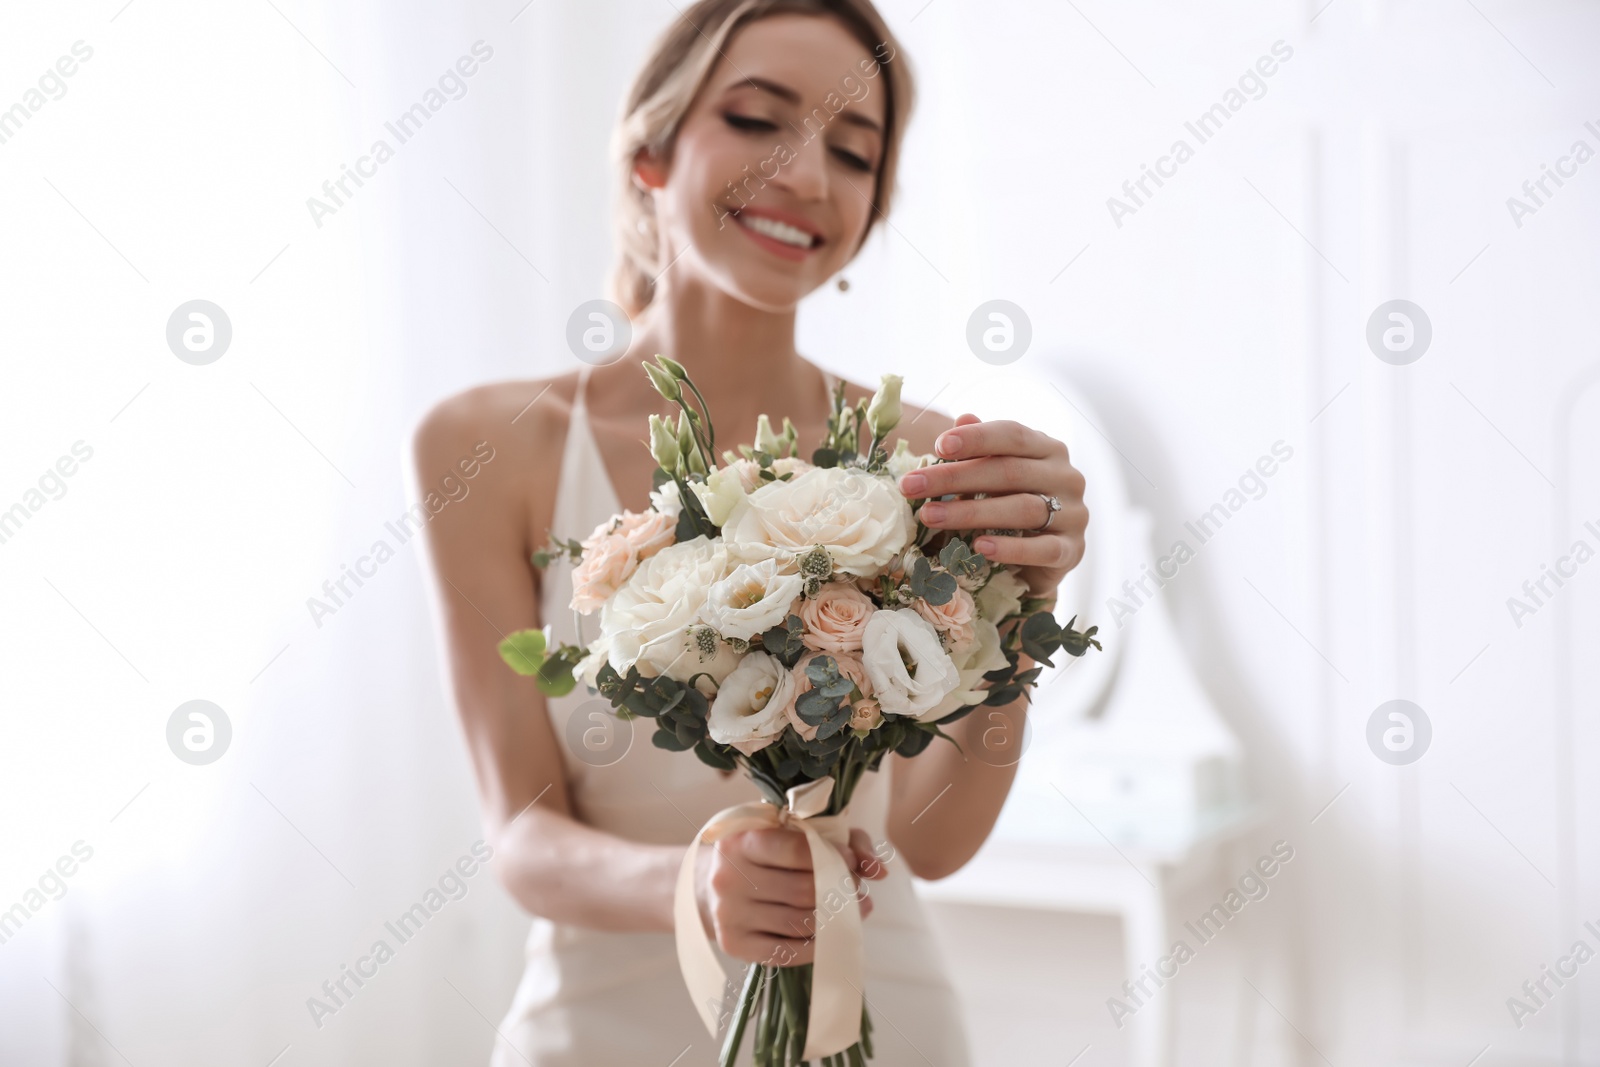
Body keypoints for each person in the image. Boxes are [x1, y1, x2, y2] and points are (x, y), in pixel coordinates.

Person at [412, 1, 1088, 1062]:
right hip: (600, 1027)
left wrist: (1030, 607)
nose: (808, 177)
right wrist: (692, 881)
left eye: (853, 153)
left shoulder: (925, 460)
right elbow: (524, 837)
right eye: (756, 119)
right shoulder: (486, 446)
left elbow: (932, 841)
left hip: (880, 1007)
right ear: (651, 148)